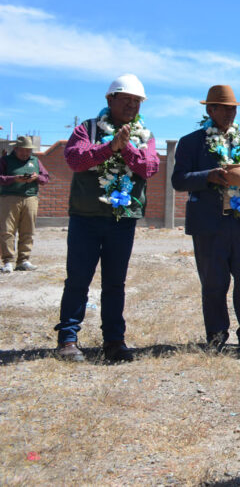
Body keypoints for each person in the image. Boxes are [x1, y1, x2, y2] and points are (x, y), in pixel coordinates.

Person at [54, 74, 160, 362]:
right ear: (110, 100)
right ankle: (68, 339)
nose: (132, 105)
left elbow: (149, 168)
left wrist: (125, 147)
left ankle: (114, 341)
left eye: (137, 101)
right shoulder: (87, 129)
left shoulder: (145, 135)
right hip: (86, 218)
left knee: (115, 283)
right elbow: (75, 159)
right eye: (126, 99)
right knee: (78, 279)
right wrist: (109, 146)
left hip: (122, 220)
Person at [171, 85, 240, 355]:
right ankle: (216, 338)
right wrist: (208, 177)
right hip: (209, 225)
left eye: (233, 109)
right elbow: (178, 180)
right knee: (214, 284)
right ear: (210, 110)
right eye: (224, 109)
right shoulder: (191, 142)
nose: (230, 113)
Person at [0, 135, 51, 272]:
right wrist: (14, 179)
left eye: (28, 150)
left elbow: (46, 178)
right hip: (9, 198)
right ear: (16, 149)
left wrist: (37, 177)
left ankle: (23, 260)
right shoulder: (5, 160)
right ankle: (8, 261)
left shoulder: (35, 161)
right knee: (7, 231)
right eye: (23, 150)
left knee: (28, 231)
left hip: (30, 199)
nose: (25, 153)